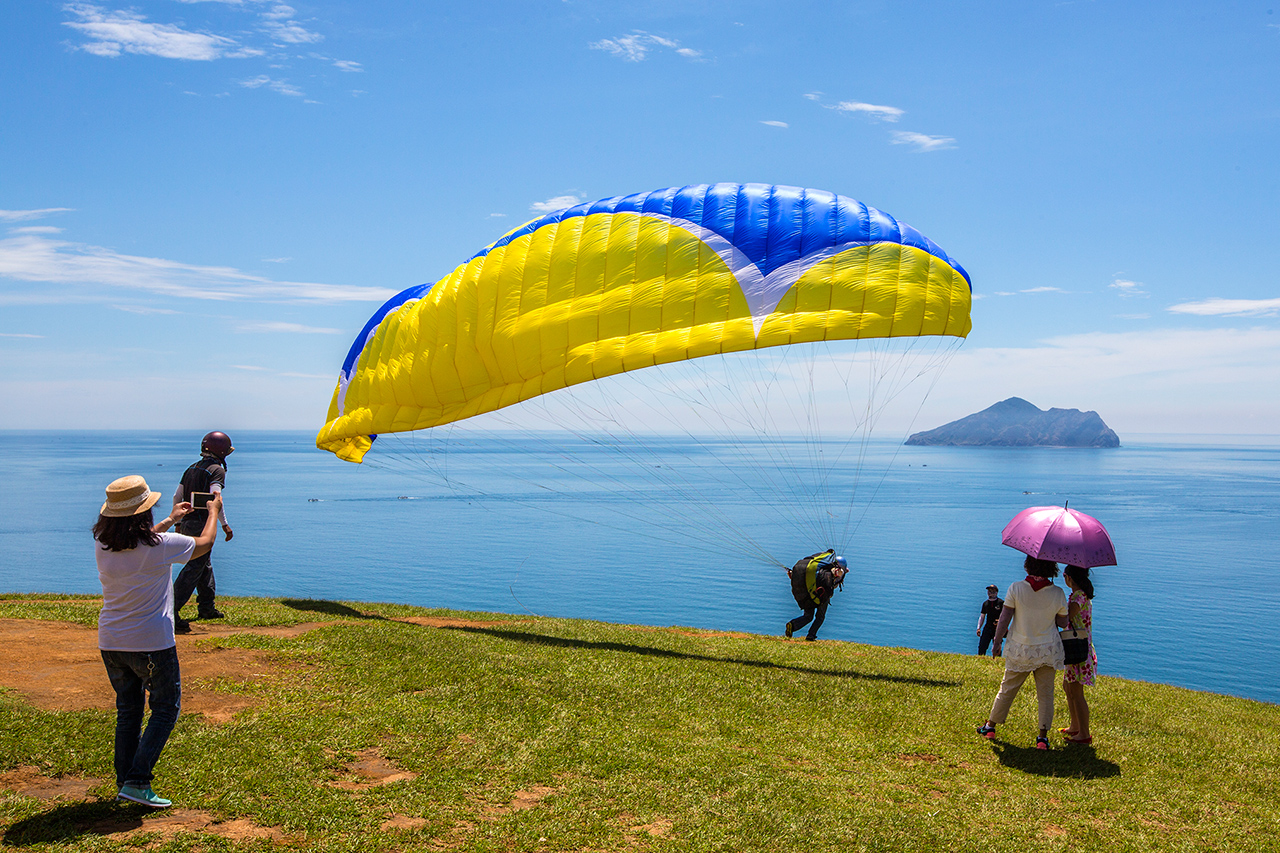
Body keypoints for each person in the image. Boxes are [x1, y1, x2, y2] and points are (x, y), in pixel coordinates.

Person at [94, 474, 220, 808]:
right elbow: (205, 543)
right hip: (151, 643)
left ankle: (125, 781)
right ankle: (137, 781)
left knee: (128, 710)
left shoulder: (103, 544)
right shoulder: (161, 547)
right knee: (165, 709)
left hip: (111, 641)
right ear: (144, 513)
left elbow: (139, 540)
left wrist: (171, 520)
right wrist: (213, 512)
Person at [976, 555, 1069, 750]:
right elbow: (1062, 622)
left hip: (1021, 648)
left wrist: (997, 642)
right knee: (1046, 694)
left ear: (1028, 566)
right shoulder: (1058, 592)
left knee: (1007, 688)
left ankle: (990, 727)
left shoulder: (1016, 588)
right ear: (1051, 568)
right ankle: (1042, 738)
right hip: (1047, 649)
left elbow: (1004, 618)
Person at [172, 431, 235, 633]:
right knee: (194, 567)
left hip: (187, 521)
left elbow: (177, 496)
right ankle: (171, 610)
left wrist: (178, 522)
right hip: (202, 524)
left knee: (203, 564)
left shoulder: (191, 468)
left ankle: (207, 607)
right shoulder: (217, 470)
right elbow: (216, 498)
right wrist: (224, 524)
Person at [1061, 565, 1097, 744]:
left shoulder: (1077, 597)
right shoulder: (1081, 595)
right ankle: (1075, 726)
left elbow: (1066, 619)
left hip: (1077, 649)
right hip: (1079, 647)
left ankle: (1084, 733)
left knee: (1076, 691)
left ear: (1069, 577)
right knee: (1068, 687)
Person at [784, 550, 848, 641]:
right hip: (822, 597)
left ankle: (792, 625)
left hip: (809, 593)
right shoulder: (835, 573)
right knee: (820, 617)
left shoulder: (821, 570)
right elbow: (833, 584)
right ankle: (811, 635)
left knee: (808, 616)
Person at [976, 583, 1004, 656]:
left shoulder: (1001, 603)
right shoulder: (985, 604)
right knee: (982, 646)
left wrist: (1001, 623)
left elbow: (1005, 615)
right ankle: (981, 659)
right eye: (989, 591)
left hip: (997, 628)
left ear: (996, 593)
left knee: (997, 647)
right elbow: (982, 616)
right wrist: (978, 628)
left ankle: (997, 660)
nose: (990, 593)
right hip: (988, 627)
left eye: (993, 591)